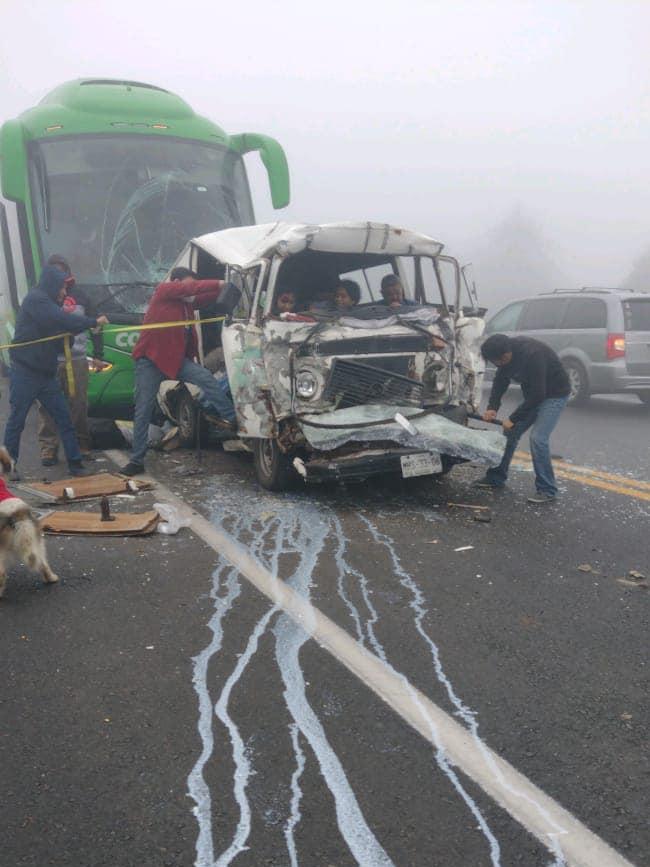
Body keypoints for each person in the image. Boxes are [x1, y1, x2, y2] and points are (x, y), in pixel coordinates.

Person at [121, 267, 238, 476]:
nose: (192, 291)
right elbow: (197, 288)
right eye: (188, 284)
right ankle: (136, 460)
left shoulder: (187, 303)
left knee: (206, 379)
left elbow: (207, 295)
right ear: (176, 282)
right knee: (143, 410)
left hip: (176, 361)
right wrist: (220, 282)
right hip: (150, 361)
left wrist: (233, 287)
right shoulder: (164, 291)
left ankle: (233, 418)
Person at [3, 265, 109, 479]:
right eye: (62, 287)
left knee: (63, 418)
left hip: (46, 373)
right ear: (52, 285)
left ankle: (75, 464)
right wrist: (92, 322)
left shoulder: (51, 304)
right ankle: (8, 467)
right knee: (17, 419)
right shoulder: (37, 300)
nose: (65, 292)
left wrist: (72, 334)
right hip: (25, 371)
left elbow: (63, 334)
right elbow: (62, 321)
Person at [476, 333, 571, 503]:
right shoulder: (504, 355)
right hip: (534, 395)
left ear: (505, 355)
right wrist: (492, 407)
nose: (497, 365)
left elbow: (538, 395)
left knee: (538, 439)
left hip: (555, 394)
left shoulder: (533, 354)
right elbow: (500, 382)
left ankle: (547, 489)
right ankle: (496, 478)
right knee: (510, 433)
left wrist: (513, 418)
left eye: (497, 362)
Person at [37, 254, 105, 466]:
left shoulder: (82, 296)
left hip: (76, 359)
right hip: (49, 360)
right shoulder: (40, 298)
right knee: (47, 405)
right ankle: (48, 448)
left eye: (62, 270)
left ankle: (81, 445)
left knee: (78, 403)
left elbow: (95, 326)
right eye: (54, 270)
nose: (60, 274)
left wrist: (98, 355)